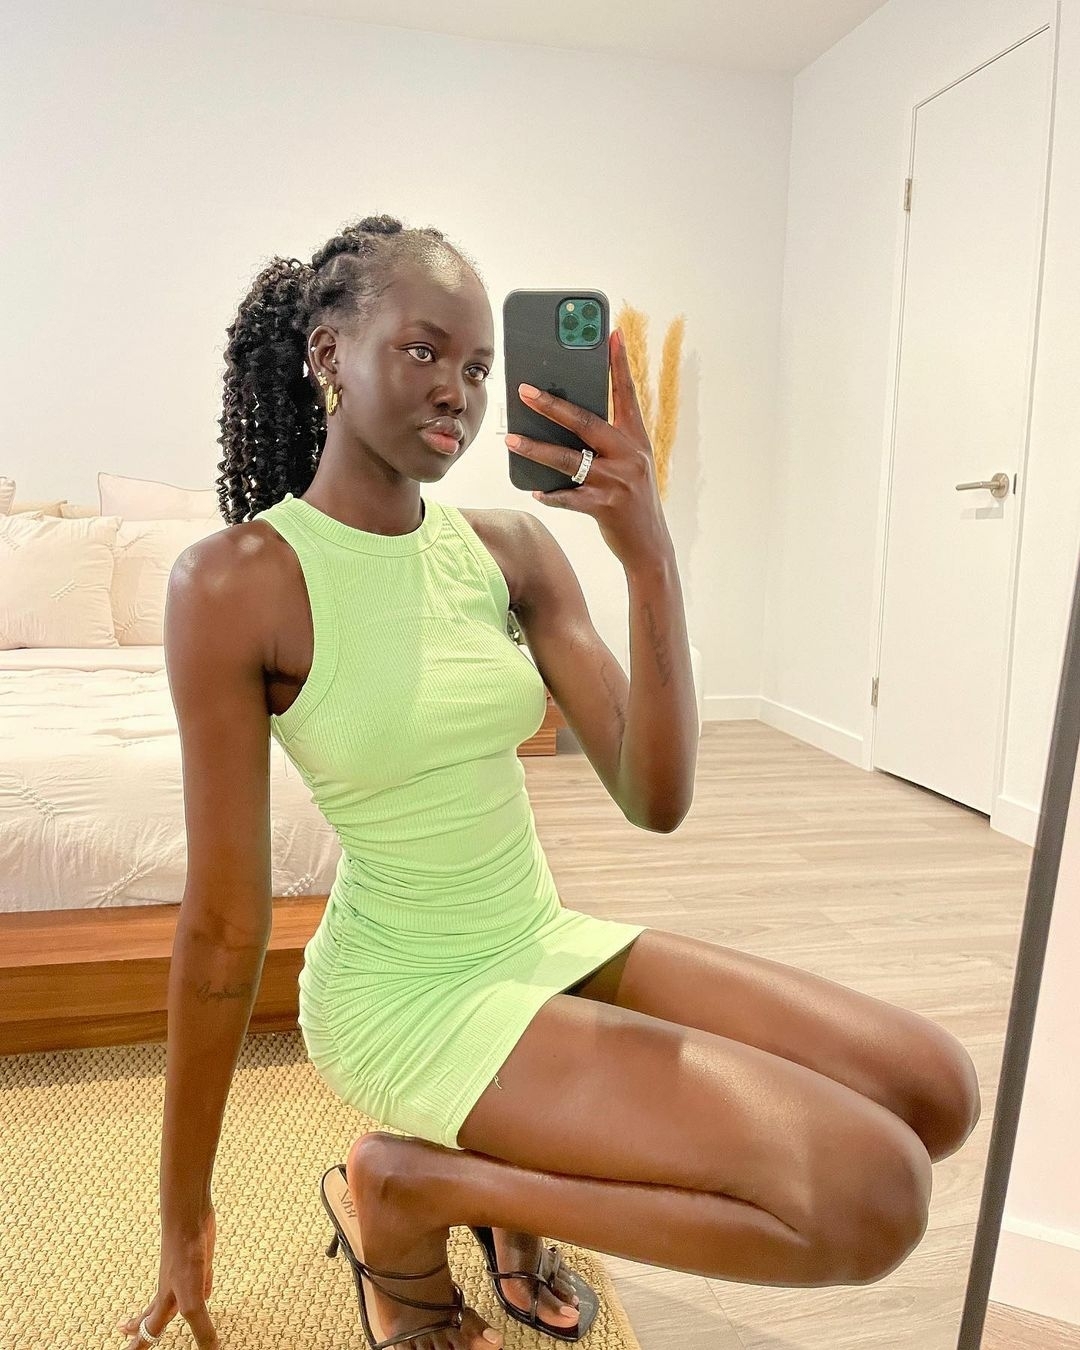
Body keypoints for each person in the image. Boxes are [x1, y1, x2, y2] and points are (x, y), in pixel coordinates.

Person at [119, 214, 981, 1350]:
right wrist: (183, 1209)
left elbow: (654, 798)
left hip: (535, 933)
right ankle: (415, 1190)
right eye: (424, 351)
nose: (459, 393)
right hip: (405, 992)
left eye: (480, 367)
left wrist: (647, 550)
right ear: (330, 353)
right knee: (873, 1196)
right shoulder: (238, 582)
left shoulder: (509, 551)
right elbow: (226, 927)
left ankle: (477, 1170)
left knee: (934, 1091)